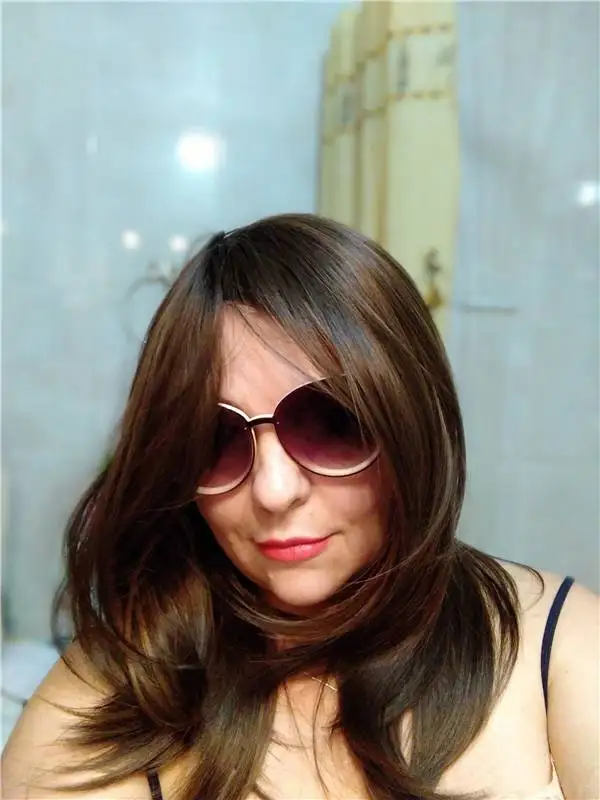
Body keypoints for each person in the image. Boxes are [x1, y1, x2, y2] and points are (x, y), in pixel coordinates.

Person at [2, 214, 598, 800]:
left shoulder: (558, 646)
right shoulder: (114, 693)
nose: (273, 490)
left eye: (331, 421)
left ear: (411, 423)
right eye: (215, 439)